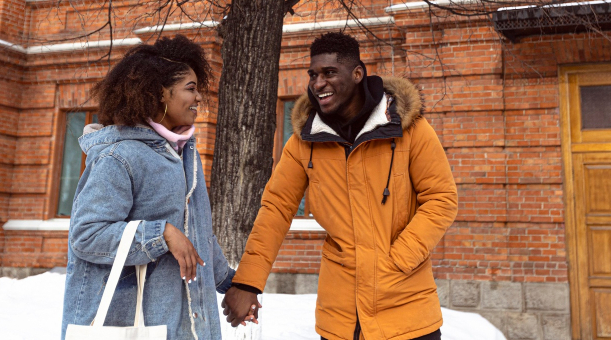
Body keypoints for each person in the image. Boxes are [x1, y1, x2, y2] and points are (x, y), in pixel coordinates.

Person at [223, 32, 458, 340]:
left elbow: (441, 199)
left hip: (407, 313)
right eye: (313, 75)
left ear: (357, 74)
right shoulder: (304, 142)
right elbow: (276, 209)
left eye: (329, 73)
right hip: (340, 320)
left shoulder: (409, 130)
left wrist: (398, 259)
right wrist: (248, 282)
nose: (318, 83)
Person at [61, 35, 238, 340]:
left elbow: (196, 232)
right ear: (160, 94)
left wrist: (232, 285)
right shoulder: (120, 156)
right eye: (191, 89)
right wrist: (162, 234)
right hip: (130, 322)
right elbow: (86, 235)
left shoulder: (181, 154)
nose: (198, 99)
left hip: (186, 323)